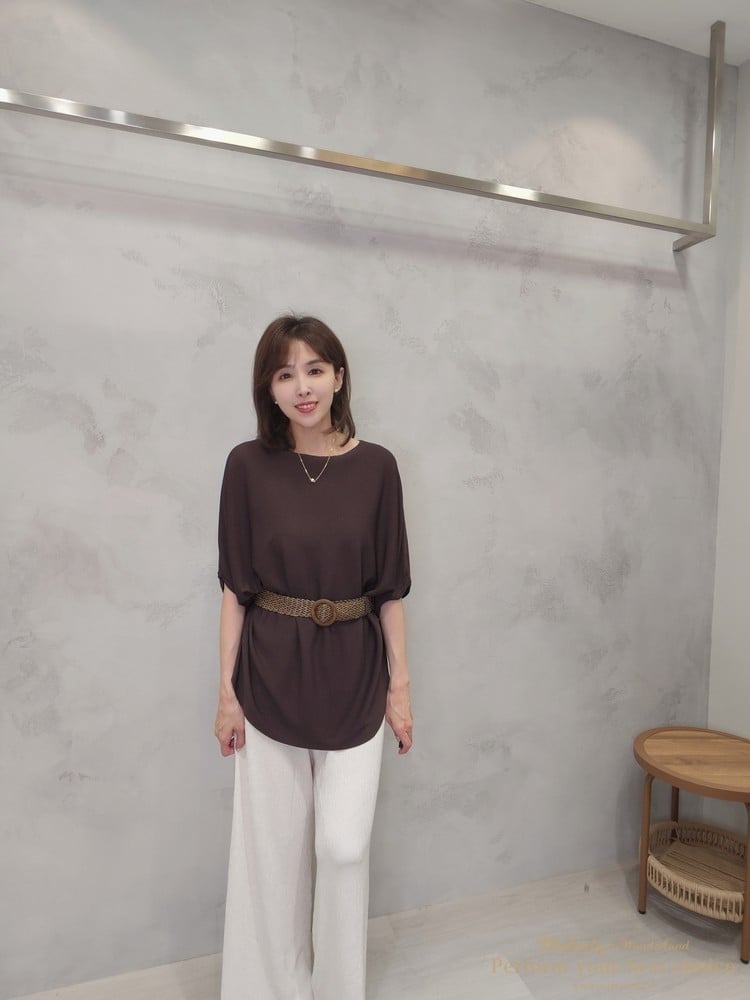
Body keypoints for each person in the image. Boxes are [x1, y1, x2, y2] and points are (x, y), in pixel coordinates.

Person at [214, 314, 413, 1000]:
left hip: (355, 675)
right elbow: (235, 590)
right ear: (268, 389)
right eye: (285, 373)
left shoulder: (378, 467)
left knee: (343, 846)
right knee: (272, 856)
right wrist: (226, 693)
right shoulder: (246, 466)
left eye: (315, 369)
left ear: (339, 377)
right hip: (268, 673)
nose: (302, 386)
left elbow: (390, 591)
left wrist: (400, 688)